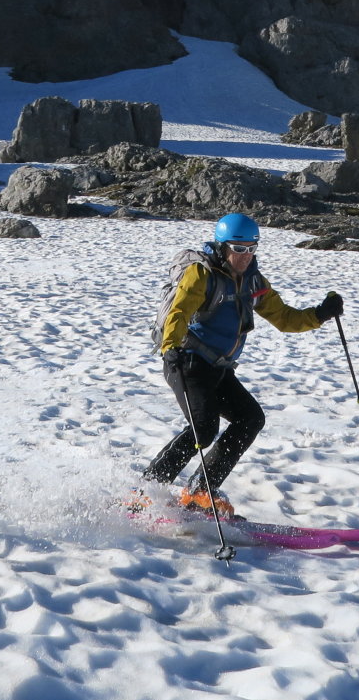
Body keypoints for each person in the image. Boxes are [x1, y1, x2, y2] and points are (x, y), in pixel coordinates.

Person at [145, 212, 342, 515]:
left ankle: (201, 491)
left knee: (250, 418)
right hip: (186, 361)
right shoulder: (202, 274)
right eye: (239, 249)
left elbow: (284, 318)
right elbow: (179, 313)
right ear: (222, 246)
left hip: (218, 368)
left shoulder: (253, 282)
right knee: (203, 428)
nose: (246, 256)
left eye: (252, 248)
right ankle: (148, 489)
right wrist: (170, 348)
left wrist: (320, 314)